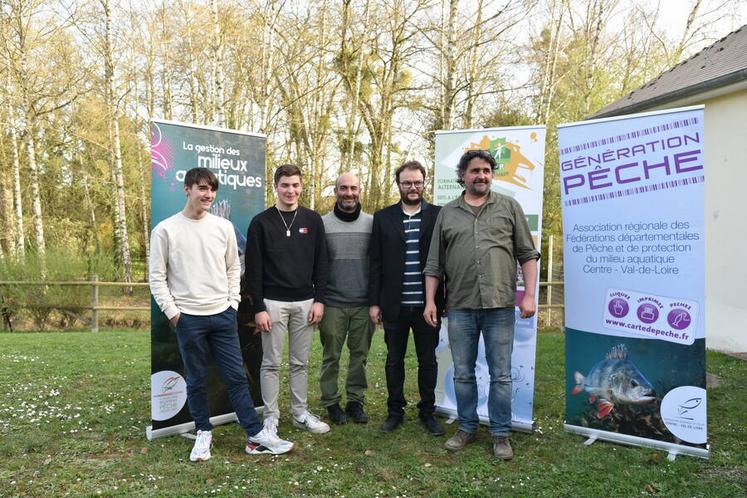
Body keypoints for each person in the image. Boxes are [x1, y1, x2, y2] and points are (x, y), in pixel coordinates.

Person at [149, 167, 294, 462]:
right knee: (197, 379)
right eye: (202, 188)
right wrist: (174, 313)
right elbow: (156, 277)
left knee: (236, 378)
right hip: (188, 319)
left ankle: (254, 437)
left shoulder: (223, 228)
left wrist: (232, 304)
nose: (208, 195)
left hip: (223, 316)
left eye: (212, 189)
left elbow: (233, 268)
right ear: (187, 189)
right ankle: (203, 432)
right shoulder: (165, 230)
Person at [423, 149, 539, 461]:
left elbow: (527, 254)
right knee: (462, 372)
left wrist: (528, 295)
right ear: (463, 176)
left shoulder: (509, 207)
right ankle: (467, 426)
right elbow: (434, 264)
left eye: (487, 170)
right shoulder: (447, 213)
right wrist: (430, 301)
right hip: (460, 306)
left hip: (500, 306)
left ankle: (501, 434)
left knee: (501, 374)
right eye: (475, 170)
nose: (482, 176)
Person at [244, 164, 330, 438]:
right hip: (272, 304)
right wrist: (258, 308)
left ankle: (300, 413)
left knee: (300, 362)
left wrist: (320, 300)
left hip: (306, 303)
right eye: (285, 185)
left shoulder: (313, 220)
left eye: (295, 185)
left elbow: (322, 264)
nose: (290, 191)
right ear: (275, 187)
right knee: (270, 363)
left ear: (301, 187)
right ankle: (271, 417)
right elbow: (253, 271)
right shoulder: (261, 222)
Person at [368, 160, 445, 436]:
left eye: (417, 182)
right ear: (398, 184)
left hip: (428, 306)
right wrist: (375, 302)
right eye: (406, 183)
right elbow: (375, 263)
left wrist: (437, 300)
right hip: (394, 305)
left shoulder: (438, 215)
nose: (413, 187)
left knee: (428, 361)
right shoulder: (383, 217)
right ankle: (394, 411)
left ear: (424, 183)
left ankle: (428, 412)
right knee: (394, 360)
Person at [318, 173, 375, 425]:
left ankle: (355, 401)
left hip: (363, 303)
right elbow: (316, 265)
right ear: (335, 191)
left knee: (359, 356)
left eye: (353, 188)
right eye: (343, 188)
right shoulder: (322, 224)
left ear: (360, 190)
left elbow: (377, 265)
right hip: (332, 303)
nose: (348, 193)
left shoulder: (373, 224)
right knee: (331, 356)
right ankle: (331, 402)